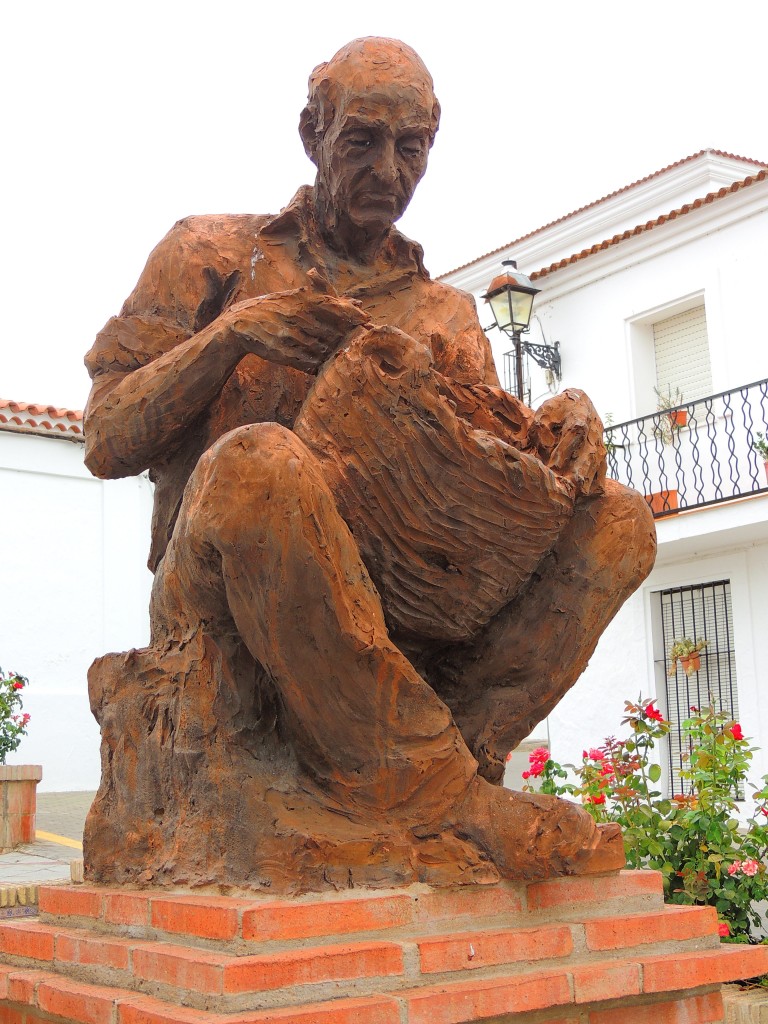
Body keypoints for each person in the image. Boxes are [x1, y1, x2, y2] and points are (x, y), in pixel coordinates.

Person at [83, 37, 656, 888]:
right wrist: (232, 337)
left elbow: (491, 470)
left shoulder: (447, 312)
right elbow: (105, 437)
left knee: (619, 520)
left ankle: (428, 770)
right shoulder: (208, 252)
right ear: (313, 135)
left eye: (412, 146)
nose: (389, 169)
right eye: (362, 140)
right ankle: (449, 799)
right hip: (217, 593)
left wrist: (562, 424)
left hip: (397, 606)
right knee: (264, 463)